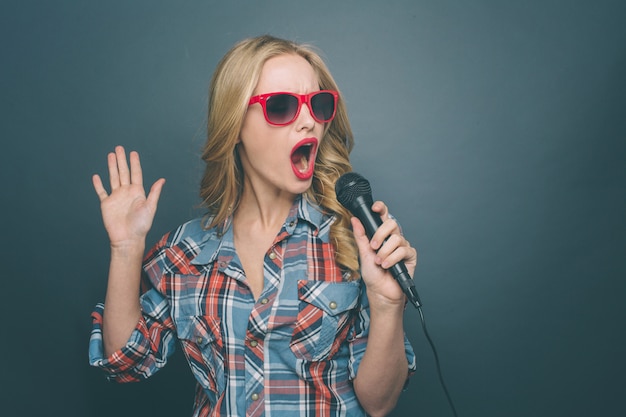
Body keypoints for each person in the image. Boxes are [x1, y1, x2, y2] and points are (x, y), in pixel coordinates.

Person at [89, 34, 417, 417]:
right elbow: (127, 362)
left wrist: (388, 303)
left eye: (318, 104)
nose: (309, 122)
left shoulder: (353, 240)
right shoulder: (185, 253)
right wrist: (126, 250)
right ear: (235, 124)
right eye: (282, 107)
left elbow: (379, 404)